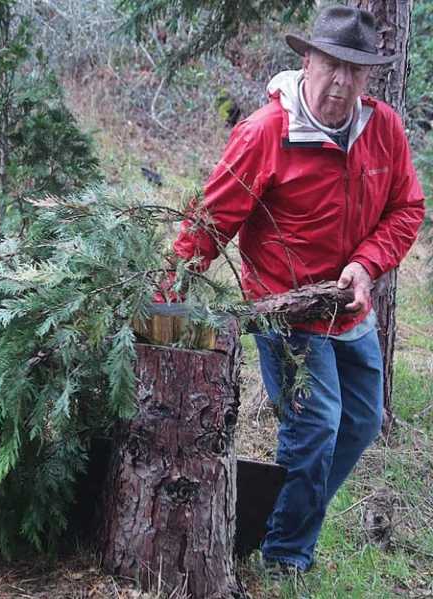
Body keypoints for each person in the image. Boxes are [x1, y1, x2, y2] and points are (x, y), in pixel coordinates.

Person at [169, 6, 426, 574]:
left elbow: (407, 208)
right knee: (316, 429)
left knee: (359, 424)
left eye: (355, 71)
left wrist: (366, 263)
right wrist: (163, 294)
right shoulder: (266, 132)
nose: (341, 82)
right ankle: (283, 557)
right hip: (286, 312)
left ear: (370, 77)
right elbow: (210, 222)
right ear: (306, 59)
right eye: (331, 64)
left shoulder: (383, 128)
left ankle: (273, 525)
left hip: (351, 312)